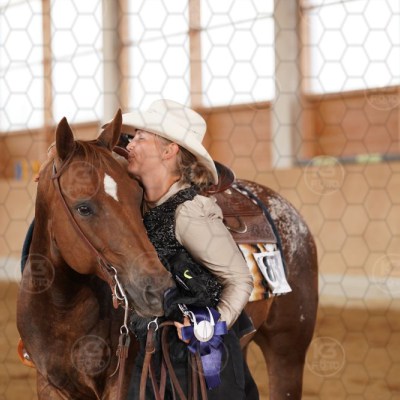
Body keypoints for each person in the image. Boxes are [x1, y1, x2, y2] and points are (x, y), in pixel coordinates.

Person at [122, 99, 259, 400]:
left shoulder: (189, 212)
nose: (129, 144)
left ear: (168, 151)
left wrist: (210, 328)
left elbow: (239, 279)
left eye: (140, 137)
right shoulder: (133, 202)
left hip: (201, 356)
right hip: (151, 351)